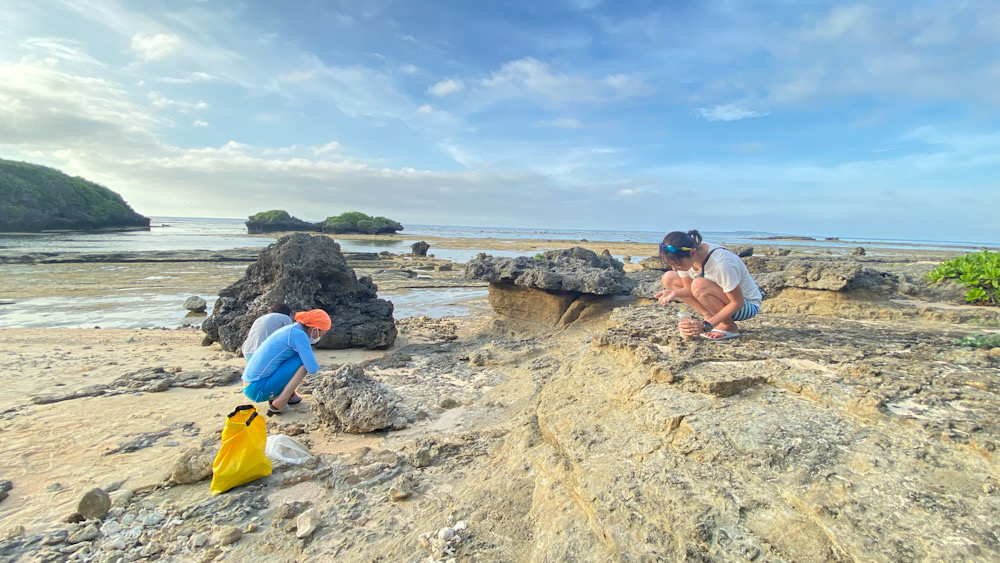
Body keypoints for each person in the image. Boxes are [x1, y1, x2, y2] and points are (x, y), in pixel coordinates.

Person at [654, 229, 763, 341]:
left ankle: (729, 326)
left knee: (699, 284)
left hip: (747, 305)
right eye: (671, 264)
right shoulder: (686, 256)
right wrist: (675, 293)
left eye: (677, 264)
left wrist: (706, 325)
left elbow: (737, 302)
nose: (674, 268)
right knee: (669, 278)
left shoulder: (721, 264)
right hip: (724, 298)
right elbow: (688, 288)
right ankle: (710, 315)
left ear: (692, 253)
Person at [242, 309, 331, 416]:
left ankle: (280, 396)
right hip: (257, 388)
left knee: (296, 357)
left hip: (249, 384)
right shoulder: (299, 335)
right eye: (322, 333)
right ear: (315, 329)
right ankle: (281, 401)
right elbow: (312, 368)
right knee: (302, 361)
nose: (321, 337)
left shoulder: (290, 329)